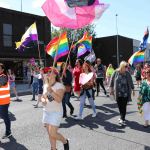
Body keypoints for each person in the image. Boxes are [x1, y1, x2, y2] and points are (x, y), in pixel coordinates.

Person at [41, 67, 69, 150]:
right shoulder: (45, 85)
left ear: (55, 74)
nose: (48, 73)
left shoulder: (60, 86)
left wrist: (51, 91)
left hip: (56, 112)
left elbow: (59, 100)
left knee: (53, 133)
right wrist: (43, 100)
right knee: (50, 134)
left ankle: (65, 141)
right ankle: (53, 148)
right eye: (47, 72)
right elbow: (43, 97)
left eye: (50, 71)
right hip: (46, 111)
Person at [109, 61, 135, 126]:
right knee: (120, 106)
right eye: (126, 66)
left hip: (126, 93)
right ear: (122, 66)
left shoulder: (127, 73)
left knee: (124, 106)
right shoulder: (115, 72)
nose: (127, 68)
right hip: (118, 93)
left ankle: (122, 119)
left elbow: (131, 82)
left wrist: (133, 89)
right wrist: (111, 90)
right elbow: (111, 81)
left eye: (127, 66)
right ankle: (121, 116)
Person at [0, 63, 12, 138]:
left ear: (2, 70)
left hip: (4, 102)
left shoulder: (3, 77)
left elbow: (1, 83)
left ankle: (8, 131)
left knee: (5, 117)